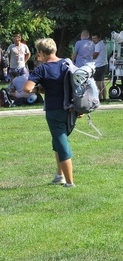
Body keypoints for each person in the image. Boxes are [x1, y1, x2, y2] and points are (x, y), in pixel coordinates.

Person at [22, 38, 76, 187]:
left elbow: (26, 88)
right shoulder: (67, 63)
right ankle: (60, 175)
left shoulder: (42, 69)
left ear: (41, 53)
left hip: (54, 110)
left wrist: (38, 89)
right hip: (72, 109)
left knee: (61, 143)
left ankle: (69, 182)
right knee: (57, 141)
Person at [91, 33, 108, 100]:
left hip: (99, 65)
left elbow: (95, 55)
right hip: (103, 64)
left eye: (95, 38)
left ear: (99, 38)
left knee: (98, 82)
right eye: (92, 38)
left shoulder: (98, 45)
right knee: (102, 82)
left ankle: (100, 97)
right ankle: (104, 97)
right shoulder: (102, 44)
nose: (93, 40)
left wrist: (87, 56)